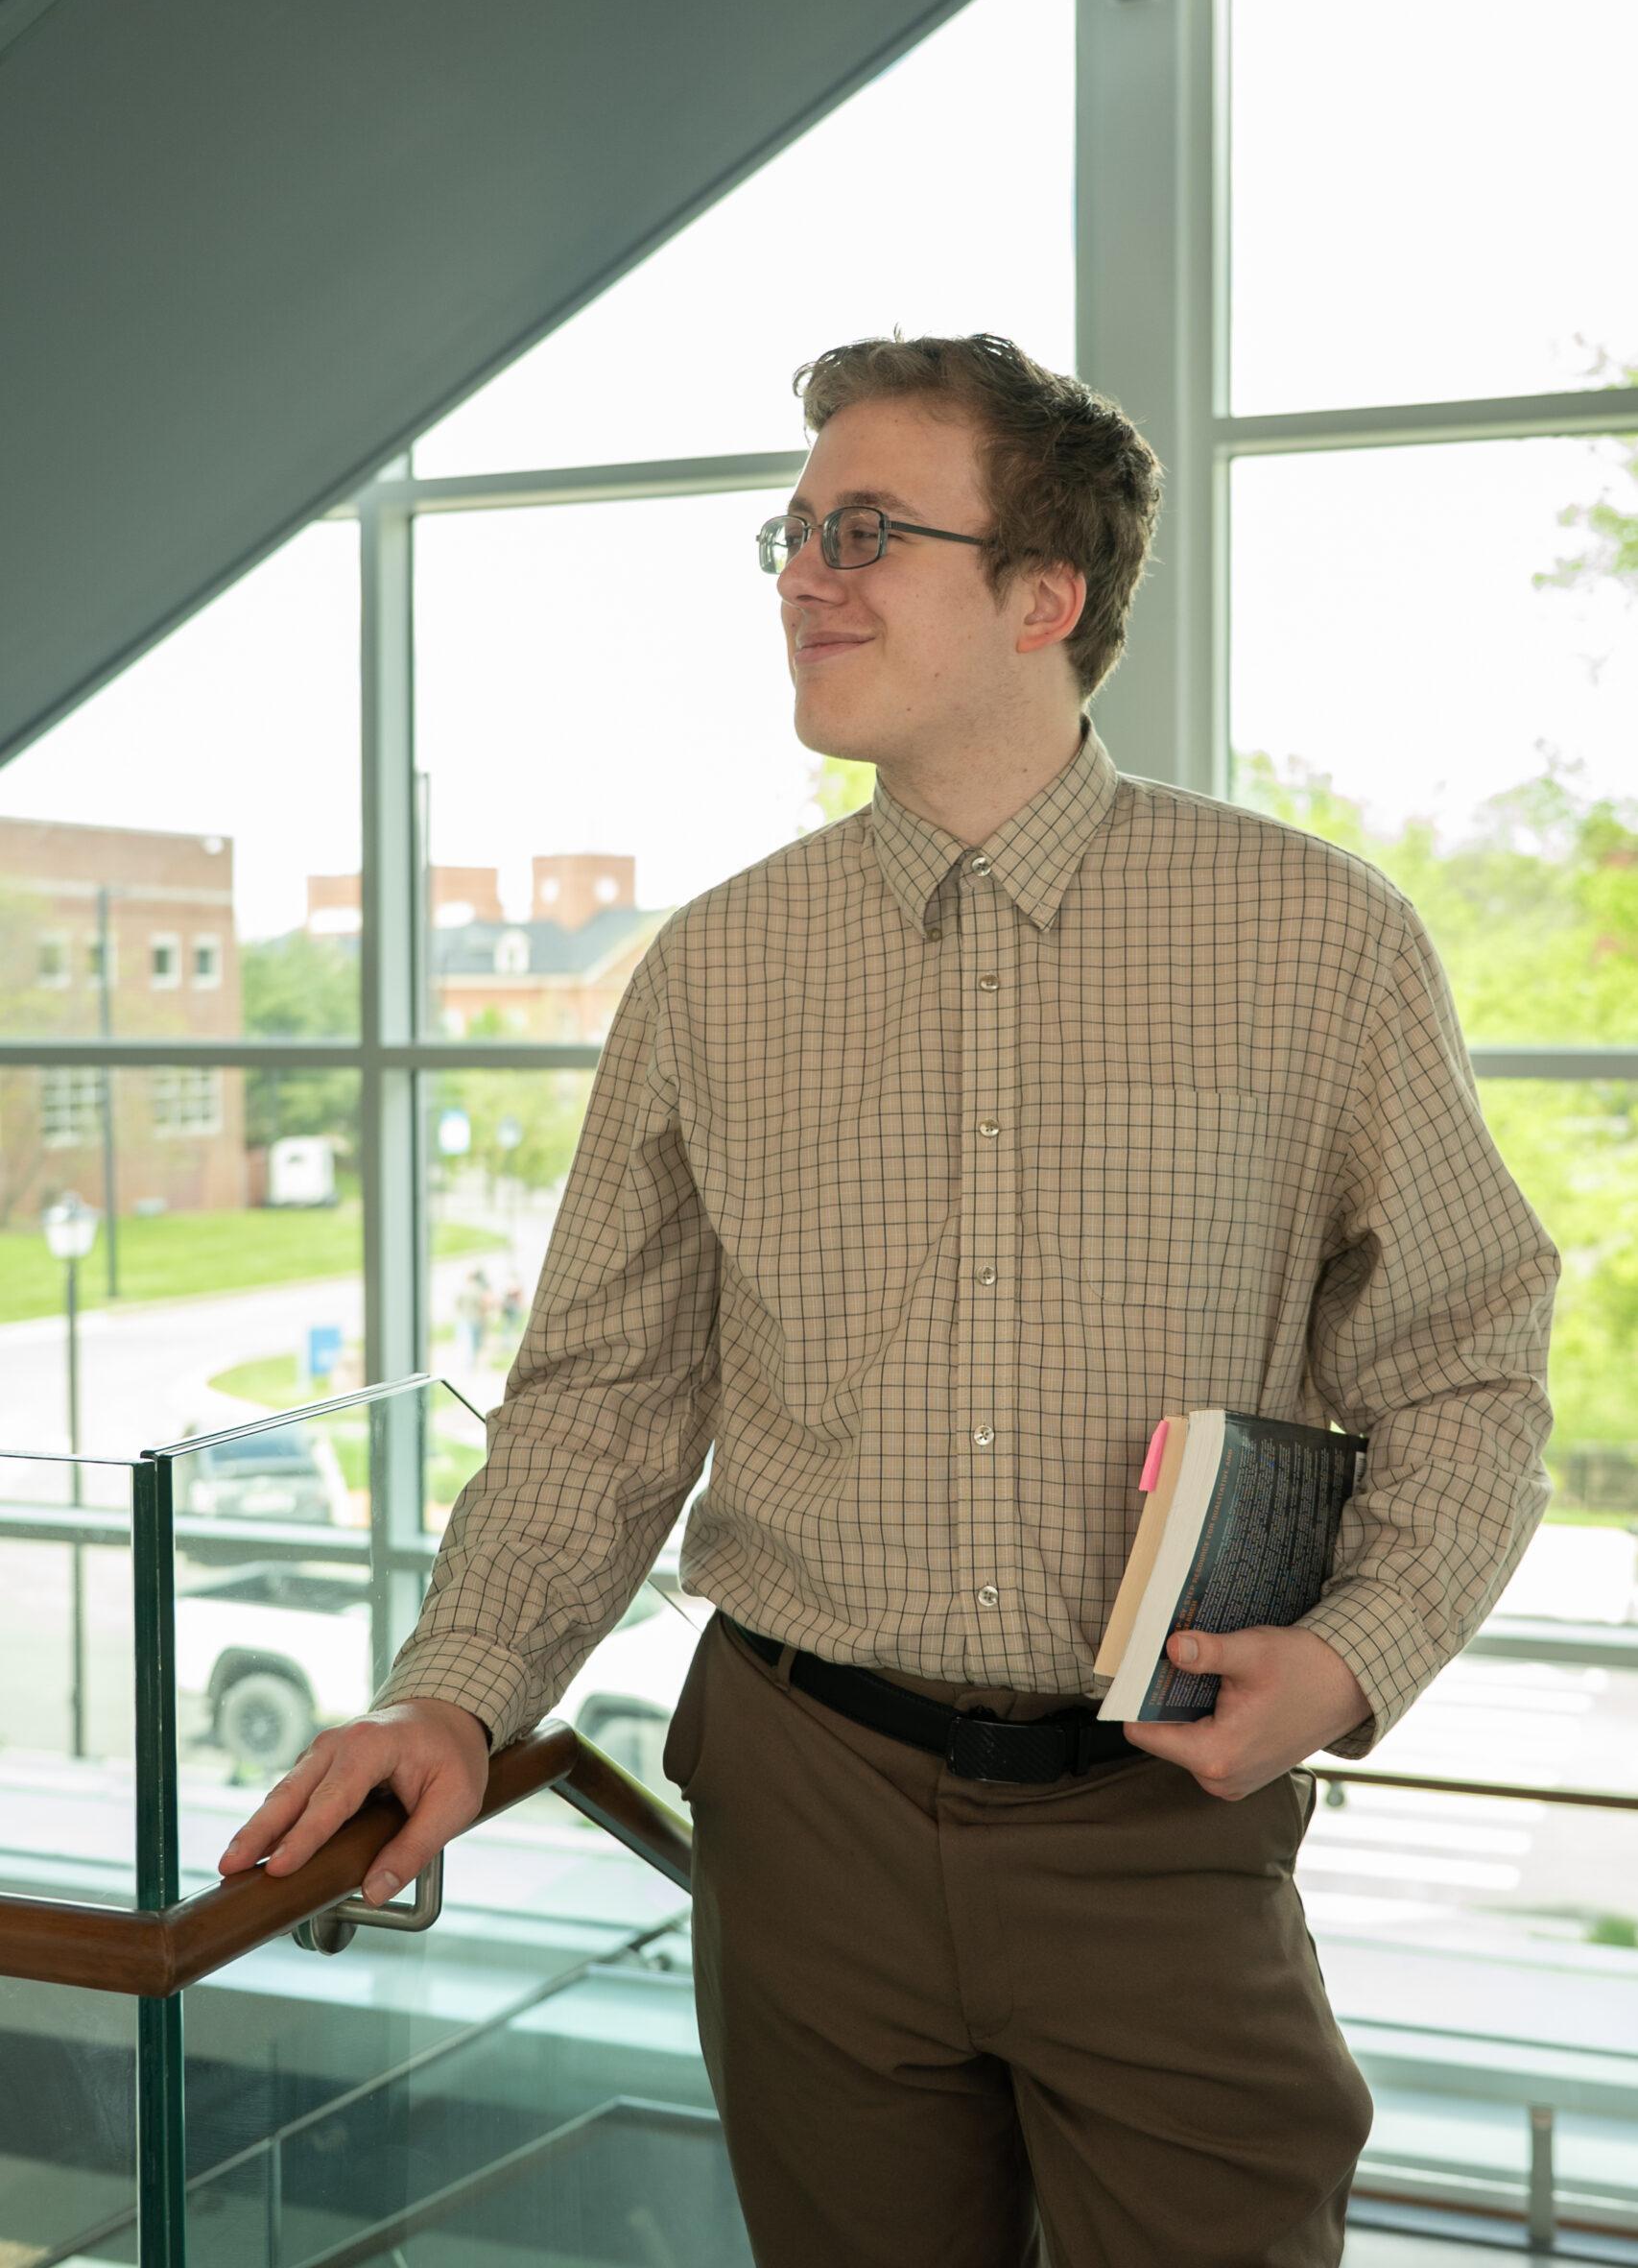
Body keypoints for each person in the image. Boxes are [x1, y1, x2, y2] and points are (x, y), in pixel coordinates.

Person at [218, 333, 1558, 2267]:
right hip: (802, 1815)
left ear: (1043, 595)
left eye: (865, 531)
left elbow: (1464, 1357)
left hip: (1157, 1821)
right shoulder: (712, 971)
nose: (803, 575)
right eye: (792, 532)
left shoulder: (1317, 938)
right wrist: (455, 1688)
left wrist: (1354, 1652)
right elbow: (601, 1398)